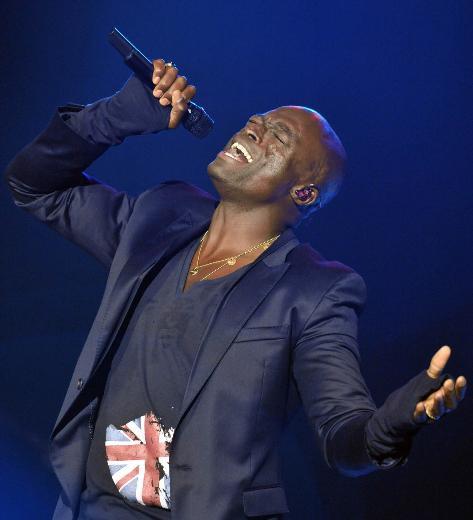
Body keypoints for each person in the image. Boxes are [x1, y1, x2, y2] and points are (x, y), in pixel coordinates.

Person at [4, 59, 467, 520]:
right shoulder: (162, 216)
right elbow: (34, 185)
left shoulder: (315, 291)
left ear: (304, 193)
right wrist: (119, 114)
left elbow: (343, 434)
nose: (254, 128)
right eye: (257, 120)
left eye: (278, 136)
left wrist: (388, 429)